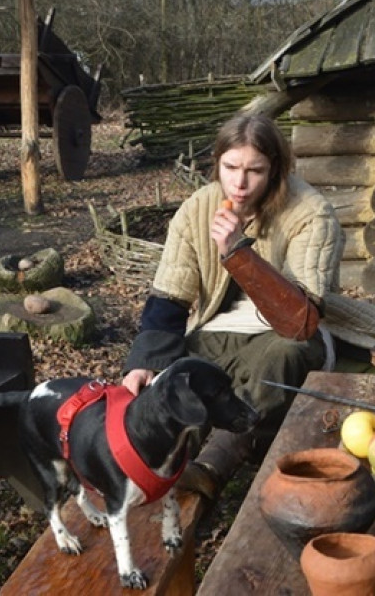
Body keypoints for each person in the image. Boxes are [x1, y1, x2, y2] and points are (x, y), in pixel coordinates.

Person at [121, 113, 343, 492]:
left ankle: (214, 463)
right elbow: (171, 293)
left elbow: (300, 320)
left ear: (275, 169)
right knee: (181, 372)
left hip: (284, 334)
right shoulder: (196, 209)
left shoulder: (310, 212)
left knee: (280, 361)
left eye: (254, 170)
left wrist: (239, 253)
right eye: (230, 167)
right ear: (217, 163)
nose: (240, 183)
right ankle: (158, 462)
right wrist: (146, 361)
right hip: (216, 328)